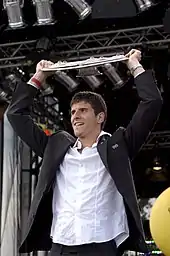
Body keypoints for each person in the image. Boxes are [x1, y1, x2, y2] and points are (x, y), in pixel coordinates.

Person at [7, 49, 162, 256]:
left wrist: (134, 65)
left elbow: (152, 103)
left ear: (100, 117)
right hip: (61, 244)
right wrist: (38, 78)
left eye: (83, 110)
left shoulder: (118, 146)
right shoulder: (56, 148)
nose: (75, 116)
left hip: (102, 245)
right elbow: (15, 114)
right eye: (72, 111)